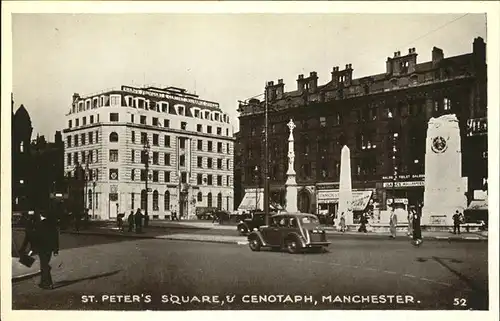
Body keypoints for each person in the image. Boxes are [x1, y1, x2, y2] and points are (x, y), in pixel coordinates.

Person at [33, 211, 59, 289]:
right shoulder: (52, 225)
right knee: (44, 264)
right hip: (49, 249)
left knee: (44, 265)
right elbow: (55, 237)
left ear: (40, 215)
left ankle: (48, 283)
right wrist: (55, 250)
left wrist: (34, 249)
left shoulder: (39, 225)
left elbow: (36, 238)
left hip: (42, 249)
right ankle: (43, 282)